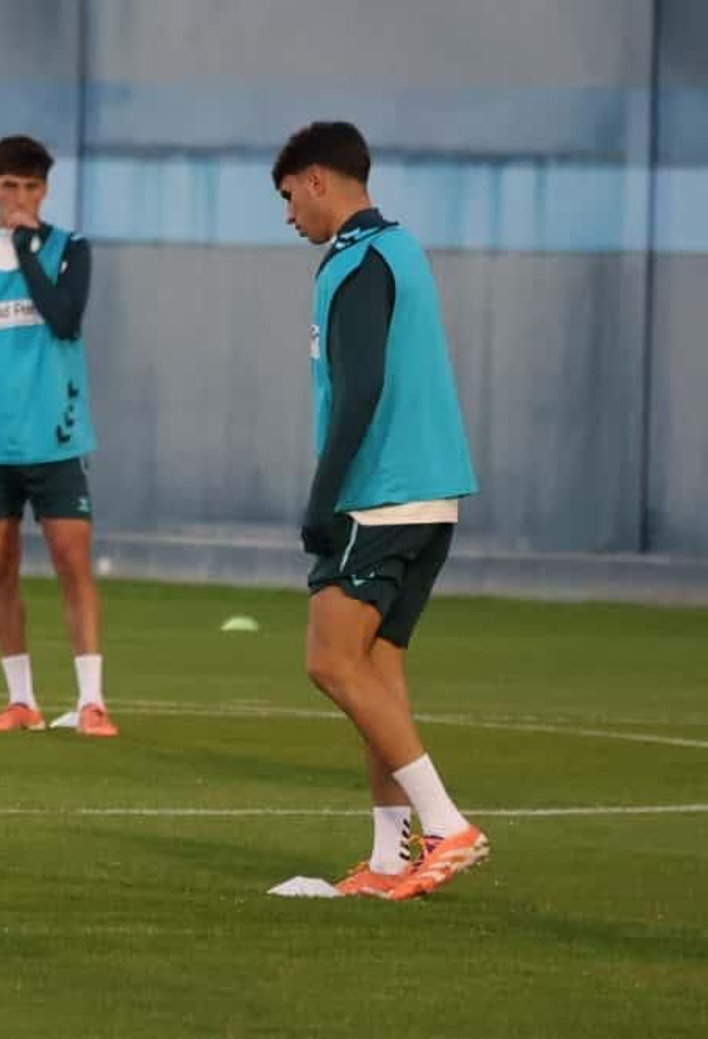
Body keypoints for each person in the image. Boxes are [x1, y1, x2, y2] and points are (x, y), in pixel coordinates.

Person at [271, 121, 487, 900]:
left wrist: (322, 497)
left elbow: (359, 390)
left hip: (383, 493)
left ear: (320, 180)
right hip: (434, 495)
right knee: (377, 670)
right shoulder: (405, 249)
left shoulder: (357, 262)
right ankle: (392, 860)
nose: (289, 214)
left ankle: (447, 826)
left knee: (329, 662)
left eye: (290, 196)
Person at [0, 135, 117, 738]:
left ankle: (91, 701)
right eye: (10, 186)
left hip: (55, 439)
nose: (20, 197)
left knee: (71, 559)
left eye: (31, 187)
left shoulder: (69, 251)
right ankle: (21, 700)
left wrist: (28, 247)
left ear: (45, 190)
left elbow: (64, 317)